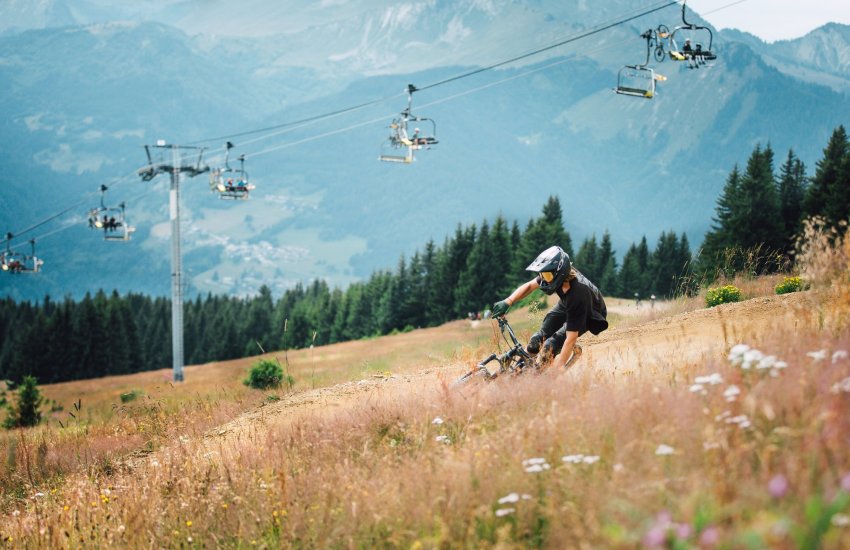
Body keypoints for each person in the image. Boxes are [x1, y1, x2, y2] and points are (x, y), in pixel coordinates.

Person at [491, 246, 608, 370]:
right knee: (536, 341)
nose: (543, 280)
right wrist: (508, 301)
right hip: (567, 302)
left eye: (546, 276)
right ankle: (518, 371)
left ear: (560, 272)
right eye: (542, 274)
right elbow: (530, 286)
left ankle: (539, 377)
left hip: (589, 312)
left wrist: (555, 374)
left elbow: (571, 338)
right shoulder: (553, 274)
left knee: (550, 345)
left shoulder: (577, 294)